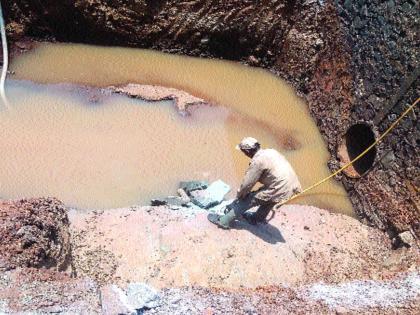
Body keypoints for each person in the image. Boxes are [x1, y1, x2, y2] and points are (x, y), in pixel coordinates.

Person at [208, 137, 302, 229]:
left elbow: (247, 185)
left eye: (243, 151)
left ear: (248, 151)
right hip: (292, 186)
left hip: (280, 187)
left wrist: (240, 196)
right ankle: (257, 218)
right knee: (269, 196)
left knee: (248, 200)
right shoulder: (271, 151)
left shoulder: (257, 162)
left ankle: (224, 221)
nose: (244, 154)